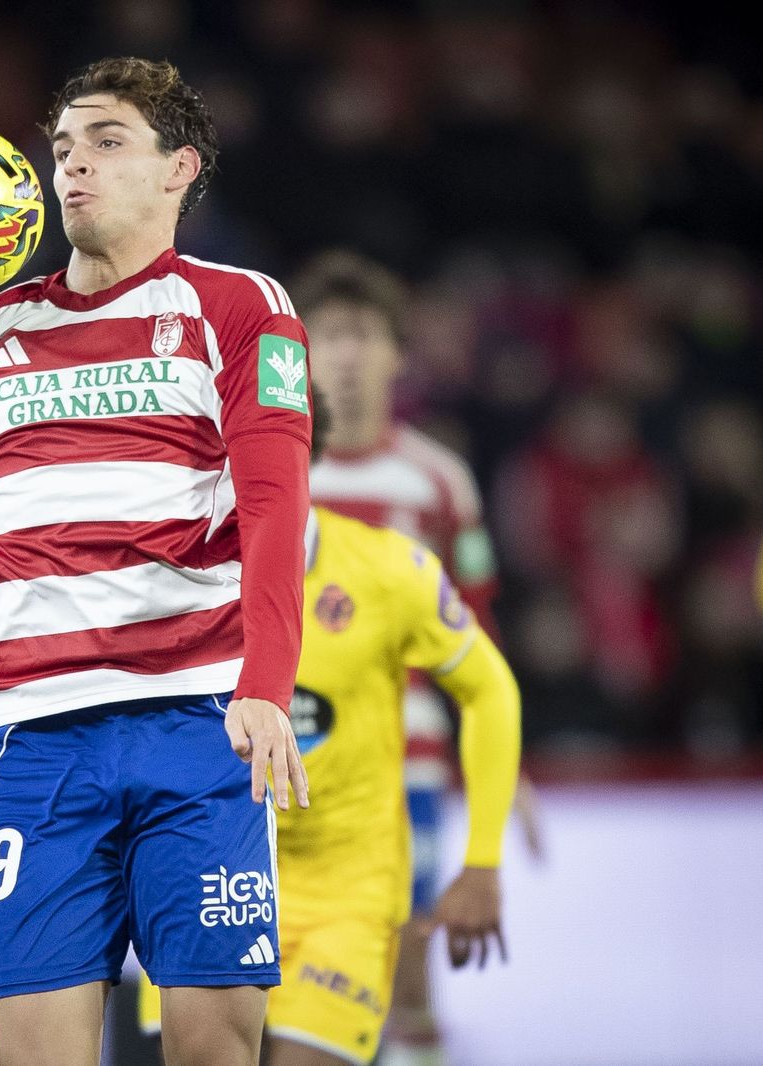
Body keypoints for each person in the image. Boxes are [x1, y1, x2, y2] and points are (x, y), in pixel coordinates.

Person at [0, 56, 313, 1066]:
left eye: (107, 143)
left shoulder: (242, 308)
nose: (71, 168)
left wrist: (265, 683)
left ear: (178, 170)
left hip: (198, 723)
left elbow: (277, 503)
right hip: (33, 745)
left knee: (210, 1051)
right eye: (62, 148)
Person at [137, 391, 522, 1066]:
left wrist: (484, 858)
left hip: (346, 884)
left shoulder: (389, 571)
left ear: (300, 461)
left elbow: (489, 688)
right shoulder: (151, 583)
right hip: (204, 873)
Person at [289, 250, 533, 1064]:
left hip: (408, 753)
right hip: (283, 748)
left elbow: (479, 631)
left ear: (397, 354)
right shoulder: (271, 474)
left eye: (366, 335)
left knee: (406, 960)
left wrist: (504, 766)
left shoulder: (438, 480)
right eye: (330, 334)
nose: (348, 355)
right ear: (299, 348)